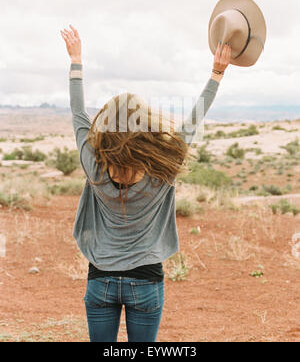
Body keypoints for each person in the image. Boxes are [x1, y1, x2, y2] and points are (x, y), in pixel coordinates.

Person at [60, 25, 231, 342]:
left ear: (106, 129)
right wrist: (216, 74)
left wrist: (76, 60)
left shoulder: (94, 167)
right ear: (145, 125)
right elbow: (194, 119)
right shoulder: (163, 166)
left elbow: (77, 111)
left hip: (101, 280)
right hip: (147, 282)